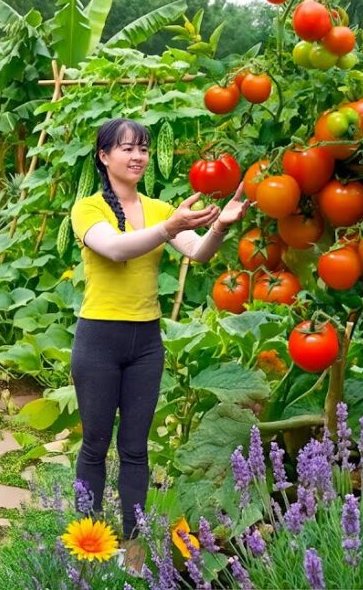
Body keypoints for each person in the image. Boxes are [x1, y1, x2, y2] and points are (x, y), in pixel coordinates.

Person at [69, 117, 249, 567]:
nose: (137, 157)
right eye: (127, 148)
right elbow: (115, 249)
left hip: (145, 341)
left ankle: (132, 550)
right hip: (99, 339)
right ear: (104, 156)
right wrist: (169, 228)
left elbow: (198, 252)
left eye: (144, 149)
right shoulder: (89, 208)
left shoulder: (158, 207)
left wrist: (221, 226)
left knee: (135, 447)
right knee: (95, 443)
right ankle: (86, 549)